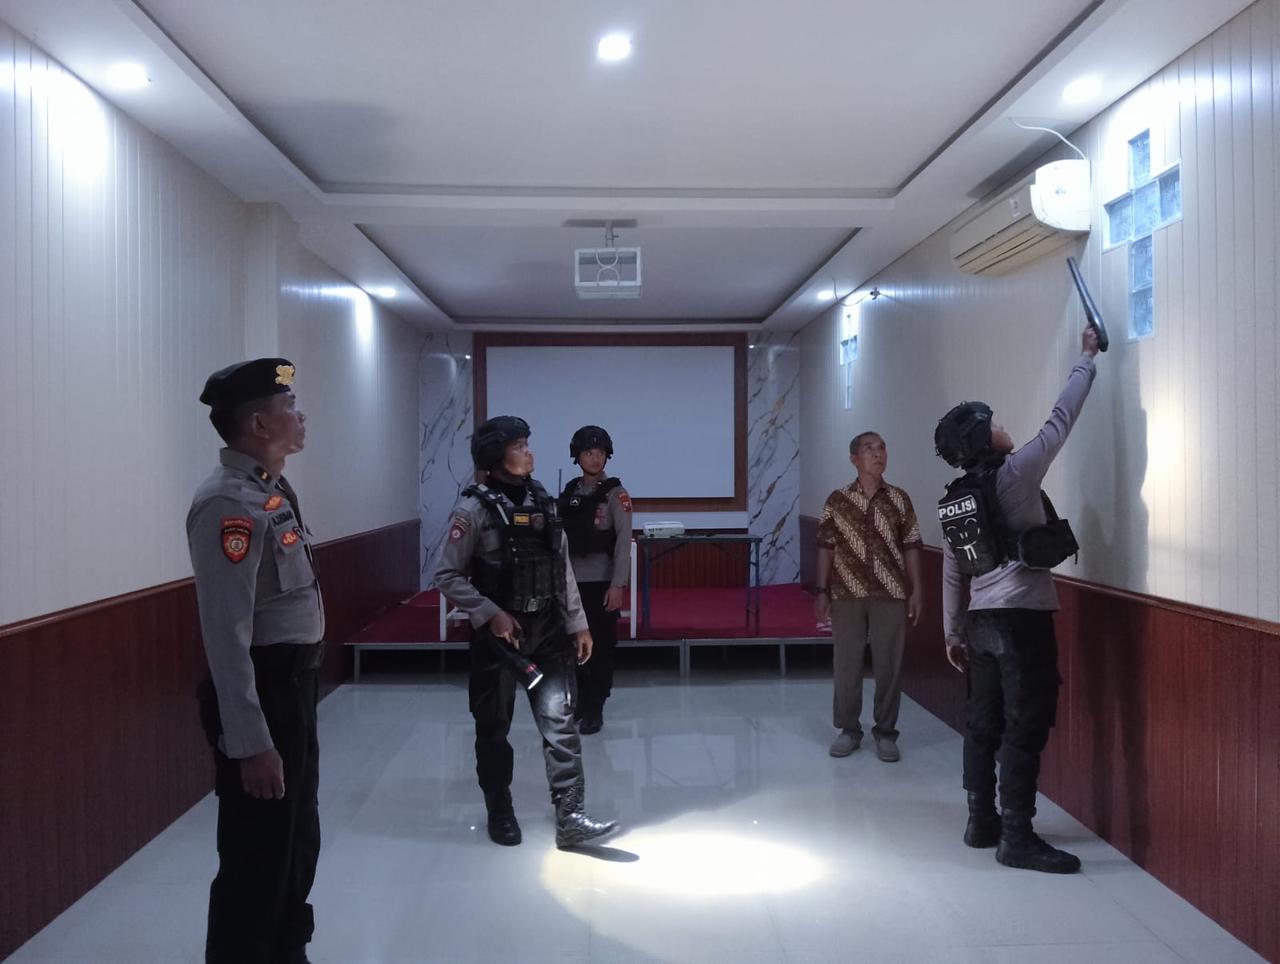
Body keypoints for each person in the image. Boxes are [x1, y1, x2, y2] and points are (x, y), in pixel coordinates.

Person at [934, 324, 1101, 875]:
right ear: (985, 439)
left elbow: (953, 571)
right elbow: (1061, 420)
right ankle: (1017, 837)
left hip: (979, 625)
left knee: (982, 725)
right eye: (996, 423)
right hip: (1021, 621)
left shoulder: (955, 499)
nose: (1005, 427)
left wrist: (952, 633)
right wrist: (1086, 358)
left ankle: (980, 822)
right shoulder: (1017, 473)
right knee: (1025, 726)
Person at [188, 358, 324, 964]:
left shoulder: (270, 491)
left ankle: (287, 950)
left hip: (293, 687)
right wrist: (251, 743)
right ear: (259, 425)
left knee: (296, 839)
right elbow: (226, 635)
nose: (301, 414)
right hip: (264, 692)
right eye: (289, 405)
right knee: (256, 855)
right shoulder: (229, 503)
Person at [434, 415, 619, 849]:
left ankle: (571, 816)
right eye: (519, 446)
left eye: (526, 444)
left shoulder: (543, 501)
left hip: (548, 631)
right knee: (493, 728)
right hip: (500, 640)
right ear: (496, 456)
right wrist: (490, 613)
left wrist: (578, 622)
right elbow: (447, 575)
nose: (529, 452)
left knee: (560, 723)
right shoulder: (473, 510)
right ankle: (499, 810)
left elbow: (562, 567)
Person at [813, 432, 924, 762]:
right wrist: (821, 591)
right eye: (869, 449)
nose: (878, 454)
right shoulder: (837, 500)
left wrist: (917, 589)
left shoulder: (899, 499)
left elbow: (912, 546)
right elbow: (825, 547)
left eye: (882, 448)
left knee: (889, 665)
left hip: (891, 593)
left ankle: (886, 732)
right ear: (854, 459)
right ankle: (849, 730)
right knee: (847, 665)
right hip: (846, 593)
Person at [558, 425, 632, 735]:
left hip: (601, 583)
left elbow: (623, 542)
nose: (594, 457)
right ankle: (579, 701)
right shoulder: (570, 492)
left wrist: (618, 585)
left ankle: (595, 707)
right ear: (577, 456)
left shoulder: (616, 494)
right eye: (588, 452)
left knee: (601, 647)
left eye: (600, 452)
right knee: (572, 646)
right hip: (570, 584)